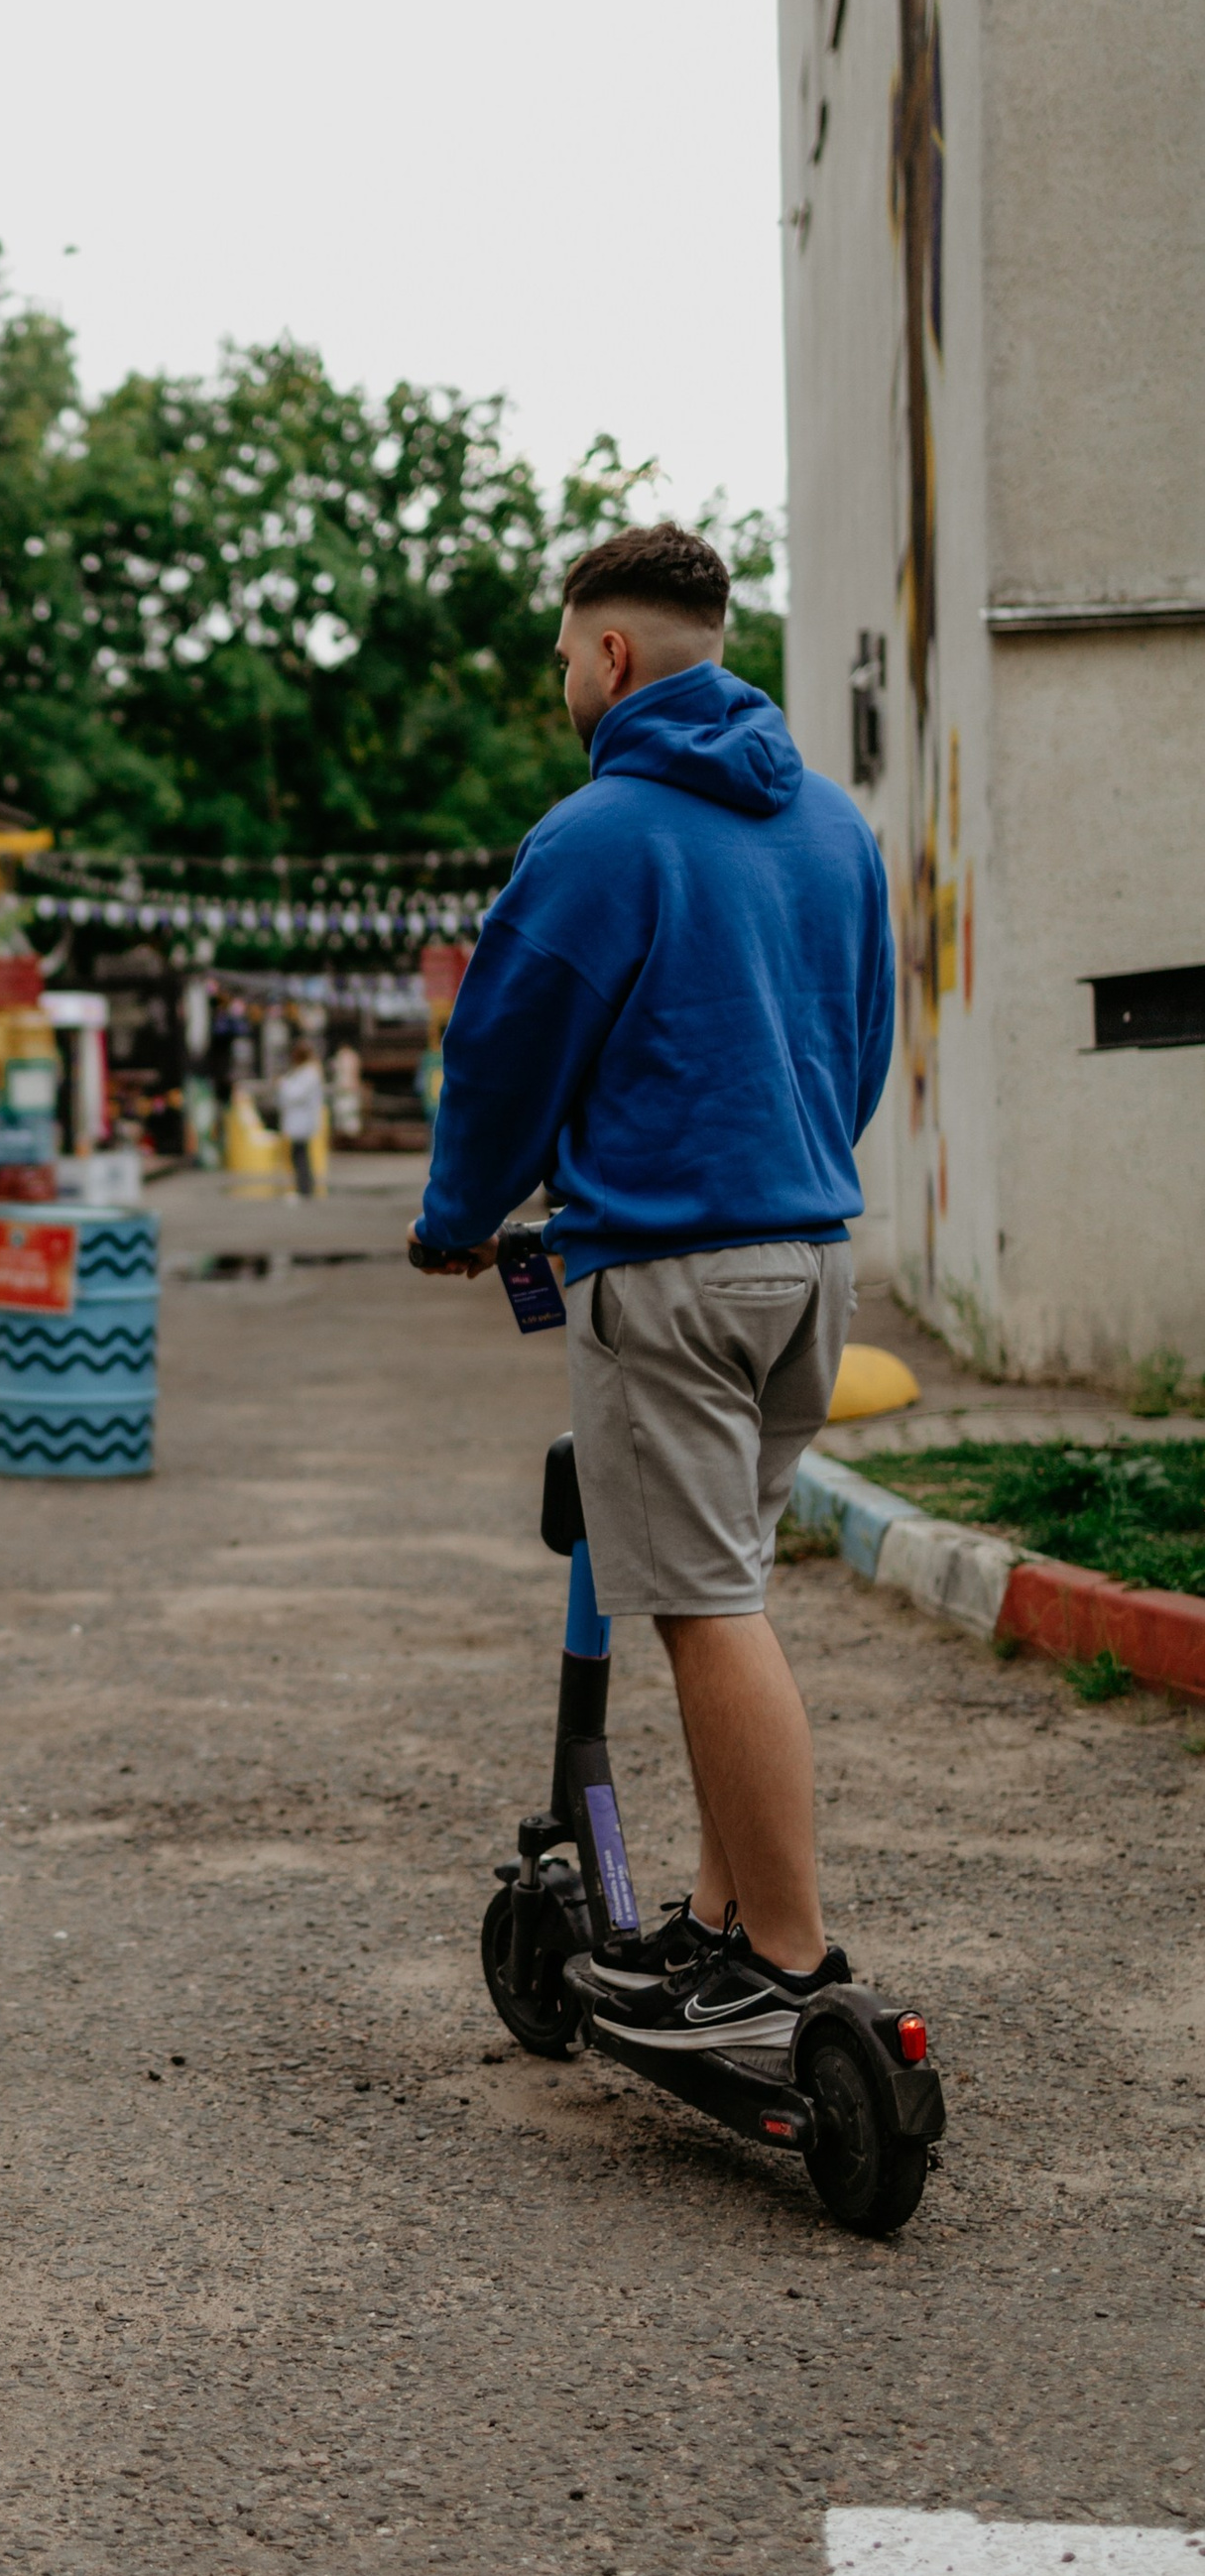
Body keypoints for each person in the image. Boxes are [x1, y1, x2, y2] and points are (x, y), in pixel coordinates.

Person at [408, 524, 892, 2051]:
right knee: (727, 1589)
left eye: (565, 656)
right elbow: (861, 1042)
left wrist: (456, 1217)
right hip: (810, 1259)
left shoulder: (598, 836)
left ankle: (790, 1963)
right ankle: (722, 1923)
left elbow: (505, 1053)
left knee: (700, 1604)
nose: (565, 681)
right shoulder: (833, 827)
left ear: (611, 656)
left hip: (669, 1274)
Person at [274, 1035, 327, 1199]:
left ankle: (304, 1189)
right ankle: (304, 1186)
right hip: (299, 1120)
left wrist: (282, 1084)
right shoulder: (304, 1072)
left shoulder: (309, 1074)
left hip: (302, 1120)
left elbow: (295, 1094)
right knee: (298, 1154)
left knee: (301, 1156)